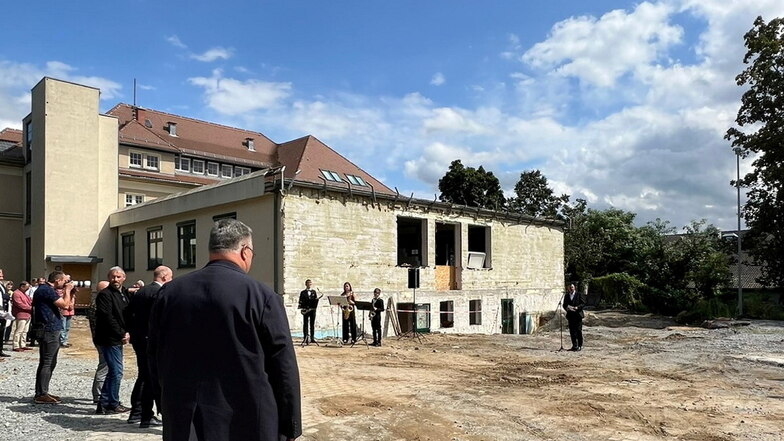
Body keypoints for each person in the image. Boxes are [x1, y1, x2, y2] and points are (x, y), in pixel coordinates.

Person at [149, 219, 301, 441]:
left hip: (185, 416)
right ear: (245, 251)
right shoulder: (262, 296)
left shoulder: (170, 294)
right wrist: (290, 424)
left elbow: (154, 354)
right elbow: (283, 364)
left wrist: (162, 401)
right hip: (249, 418)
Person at [126, 265, 171, 428]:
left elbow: (128, 313)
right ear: (165, 277)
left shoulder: (141, 292)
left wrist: (131, 331)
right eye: (170, 278)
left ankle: (137, 412)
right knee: (150, 377)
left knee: (143, 375)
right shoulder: (159, 293)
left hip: (139, 338)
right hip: (151, 340)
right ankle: (145, 414)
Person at [32, 271, 74, 404]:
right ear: (58, 280)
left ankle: (43, 391)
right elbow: (65, 305)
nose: (65, 284)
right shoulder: (47, 290)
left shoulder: (45, 289)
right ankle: (41, 394)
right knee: (47, 361)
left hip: (49, 328)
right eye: (64, 281)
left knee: (49, 361)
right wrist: (68, 291)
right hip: (48, 329)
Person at [94, 267, 131, 414]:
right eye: (113, 277)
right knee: (116, 372)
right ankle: (109, 403)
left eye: (118, 277)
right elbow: (107, 317)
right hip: (109, 338)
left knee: (114, 372)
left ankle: (107, 402)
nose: (115, 279)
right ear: (109, 278)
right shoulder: (105, 295)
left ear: (124, 278)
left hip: (117, 338)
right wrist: (122, 333)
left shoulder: (123, 293)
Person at [89, 281, 109, 405]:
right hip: (103, 339)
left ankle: (100, 393)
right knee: (104, 366)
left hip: (100, 338)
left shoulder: (96, 302)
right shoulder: (99, 303)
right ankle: (98, 394)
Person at [11, 281, 33, 352]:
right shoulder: (16, 293)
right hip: (21, 314)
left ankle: (23, 344)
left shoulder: (25, 294)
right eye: (26, 287)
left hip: (28, 314)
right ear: (22, 286)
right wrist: (31, 308)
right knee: (19, 330)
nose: (27, 289)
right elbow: (19, 304)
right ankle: (16, 345)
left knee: (25, 331)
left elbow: (30, 301)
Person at [563, 284, 585, 351]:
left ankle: (580, 345)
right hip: (570, 315)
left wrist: (577, 307)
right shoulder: (566, 296)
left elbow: (583, 303)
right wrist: (567, 308)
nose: (571, 288)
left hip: (578, 315)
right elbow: (564, 304)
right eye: (570, 287)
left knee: (578, 330)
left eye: (572, 287)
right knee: (572, 331)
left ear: (574, 287)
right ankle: (574, 346)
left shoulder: (579, 294)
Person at [298, 279, 320, 344]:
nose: (309, 284)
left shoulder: (314, 292)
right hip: (306, 310)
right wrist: (302, 307)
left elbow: (315, 301)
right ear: (306, 284)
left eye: (310, 283)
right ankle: (305, 338)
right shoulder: (303, 292)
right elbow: (300, 301)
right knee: (305, 324)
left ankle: (312, 338)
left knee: (312, 324)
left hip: (312, 310)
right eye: (308, 283)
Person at [58, 274, 76, 348]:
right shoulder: (61, 290)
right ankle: (62, 341)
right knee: (63, 327)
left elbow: (73, 297)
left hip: (70, 310)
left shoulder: (72, 290)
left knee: (67, 327)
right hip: (63, 310)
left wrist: (72, 304)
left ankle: (65, 340)